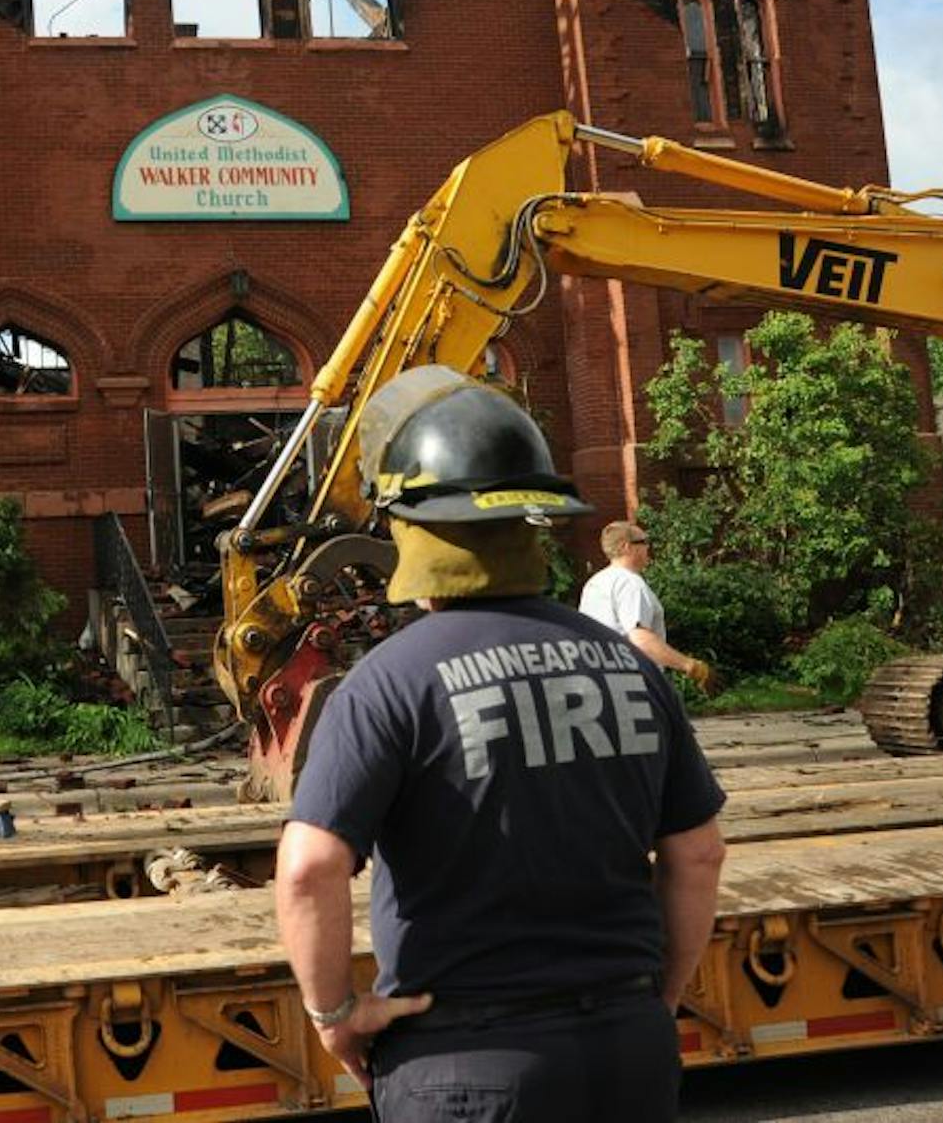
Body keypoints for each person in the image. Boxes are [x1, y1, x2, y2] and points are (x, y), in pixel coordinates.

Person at [275, 366, 728, 1122]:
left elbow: (309, 869)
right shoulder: (629, 666)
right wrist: (658, 998)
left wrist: (334, 1014)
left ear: (412, 534)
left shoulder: (390, 681)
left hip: (463, 1060)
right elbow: (699, 853)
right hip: (628, 1049)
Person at [579, 519, 716, 691]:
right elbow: (640, 639)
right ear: (626, 547)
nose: (648, 547)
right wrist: (690, 666)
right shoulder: (630, 583)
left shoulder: (595, 583)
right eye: (643, 542)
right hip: (632, 683)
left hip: (599, 680)